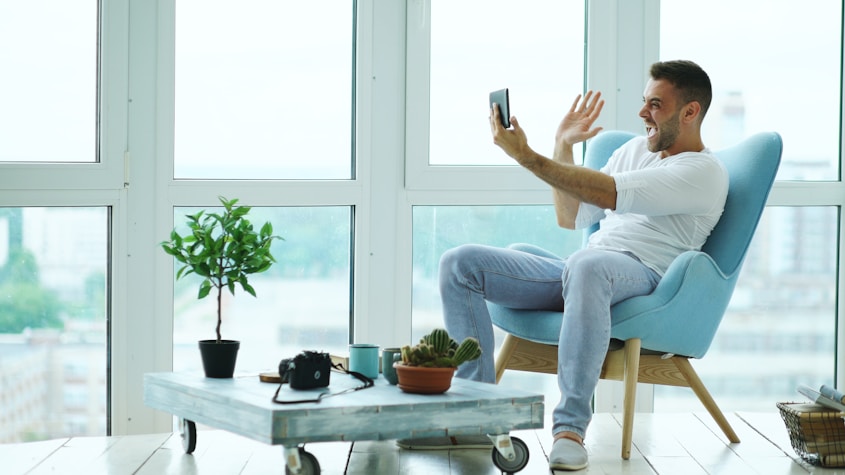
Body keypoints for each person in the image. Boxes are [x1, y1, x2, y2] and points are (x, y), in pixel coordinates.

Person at [400, 60, 728, 472]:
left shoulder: (703, 172)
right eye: (644, 103)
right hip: (583, 270)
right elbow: (571, 216)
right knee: (459, 263)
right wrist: (562, 144)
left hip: (644, 278)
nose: (643, 113)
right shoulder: (633, 151)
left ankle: (569, 430)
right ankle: (475, 414)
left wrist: (527, 157)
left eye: (655, 105)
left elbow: (608, 193)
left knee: (588, 265)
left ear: (690, 111)